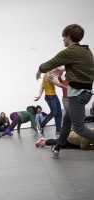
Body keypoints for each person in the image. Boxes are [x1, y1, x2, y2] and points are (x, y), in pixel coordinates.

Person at [36, 24, 94, 158]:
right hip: (86, 93)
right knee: (67, 121)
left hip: (76, 95)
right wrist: (64, 68)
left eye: (63, 37)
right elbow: (82, 67)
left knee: (79, 127)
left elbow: (48, 65)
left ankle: (58, 146)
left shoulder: (69, 51)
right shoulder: (86, 51)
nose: (62, 40)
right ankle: (57, 147)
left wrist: (39, 70)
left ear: (68, 37)